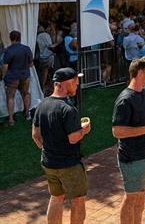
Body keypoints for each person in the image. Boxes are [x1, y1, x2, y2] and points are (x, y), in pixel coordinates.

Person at [31, 68, 90, 224]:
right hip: (69, 165)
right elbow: (73, 138)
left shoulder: (42, 104)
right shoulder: (68, 109)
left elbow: (35, 135)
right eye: (75, 82)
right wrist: (84, 130)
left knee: (56, 198)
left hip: (49, 163)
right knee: (78, 201)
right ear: (66, 83)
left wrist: (48, 150)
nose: (77, 85)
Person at [112, 57, 145, 224]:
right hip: (133, 159)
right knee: (131, 198)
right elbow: (117, 131)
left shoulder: (144, 91)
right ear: (140, 73)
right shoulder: (125, 100)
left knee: (141, 194)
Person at [3, 30, 33, 124]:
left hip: (12, 76)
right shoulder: (26, 49)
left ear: (10, 38)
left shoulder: (8, 50)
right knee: (26, 93)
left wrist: (3, 75)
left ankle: (11, 119)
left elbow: (5, 66)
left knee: (10, 97)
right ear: (20, 38)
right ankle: (27, 114)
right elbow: (31, 64)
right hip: (25, 75)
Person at [36, 25, 55, 94]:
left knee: (44, 73)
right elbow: (50, 45)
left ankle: (42, 88)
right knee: (50, 73)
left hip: (41, 57)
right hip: (48, 56)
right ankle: (49, 88)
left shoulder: (36, 36)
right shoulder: (45, 35)